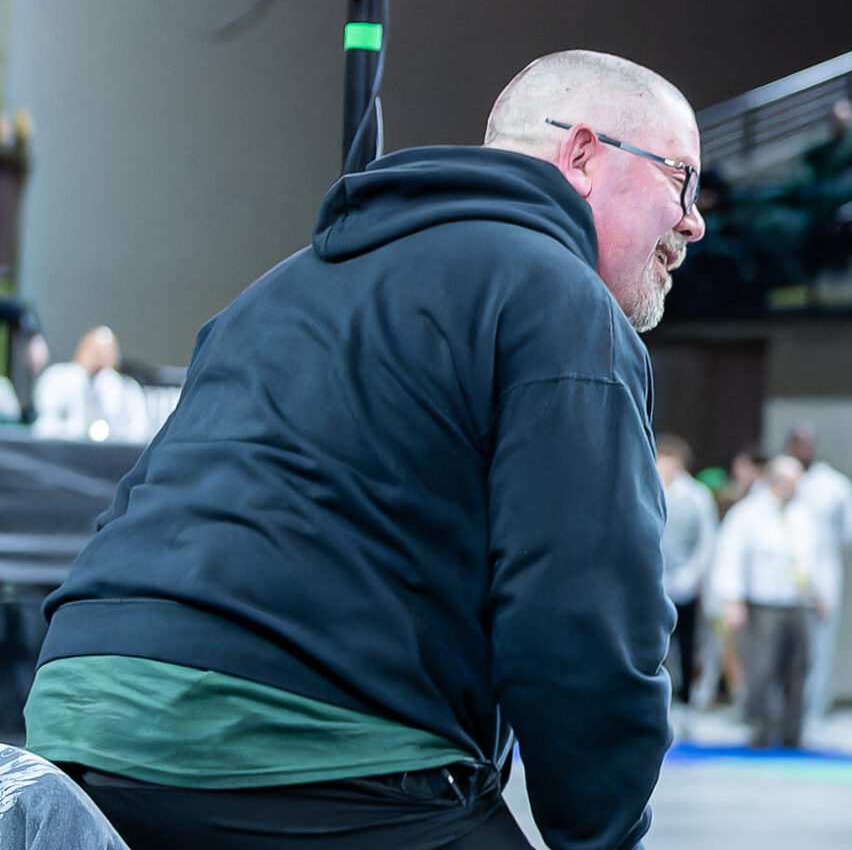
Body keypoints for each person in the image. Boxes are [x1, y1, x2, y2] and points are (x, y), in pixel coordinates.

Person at [26, 51, 702, 850]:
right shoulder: (559, 303)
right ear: (583, 155)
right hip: (288, 737)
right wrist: (604, 834)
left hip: (78, 721)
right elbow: (581, 616)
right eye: (682, 181)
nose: (694, 221)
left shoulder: (276, 289)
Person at [712, 453, 835, 751]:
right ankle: (761, 731)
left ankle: (793, 733)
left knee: (800, 668)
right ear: (774, 480)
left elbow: (815, 559)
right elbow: (730, 557)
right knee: (762, 669)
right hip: (763, 602)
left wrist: (821, 595)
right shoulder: (748, 514)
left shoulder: (804, 516)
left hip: (799, 602)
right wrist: (732, 600)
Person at [782, 425, 852, 726]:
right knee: (779, 650)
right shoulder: (777, 479)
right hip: (779, 579)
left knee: (818, 646)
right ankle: (779, 714)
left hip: (823, 573)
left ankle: (812, 712)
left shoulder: (833, 486)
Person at [658, 434, 720, 708]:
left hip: (685, 581)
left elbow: (707, 540)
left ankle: (685, 698)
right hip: (653, 581)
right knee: (655, 643)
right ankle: (661, 696)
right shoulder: (646, 487)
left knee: (686, 642)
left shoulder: (696, 495)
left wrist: (695, 575)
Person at [30, 328, 149, 444]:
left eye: (107, 351)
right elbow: (46, 425)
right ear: (81, 350)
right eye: (94, 351)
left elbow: (137, 434)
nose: (100, 357)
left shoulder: (128, 391)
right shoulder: (55, 378)